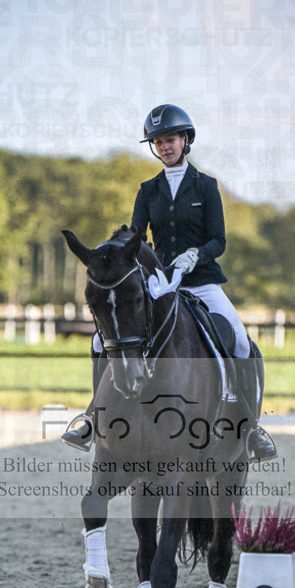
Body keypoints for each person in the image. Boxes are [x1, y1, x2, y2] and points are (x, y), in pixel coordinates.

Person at [62, 103, 277, 460]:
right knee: (104, 341)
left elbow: (218, 240)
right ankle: (92, 417)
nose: (165, 147)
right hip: (160, 285)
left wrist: (197, 255)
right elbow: (136, 236)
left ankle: (251, 428)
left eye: (171, 139)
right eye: (158, 141)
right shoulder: (148, 190)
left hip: (203, 283)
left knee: (240, 340)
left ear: (185, 140)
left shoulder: (206, 186)